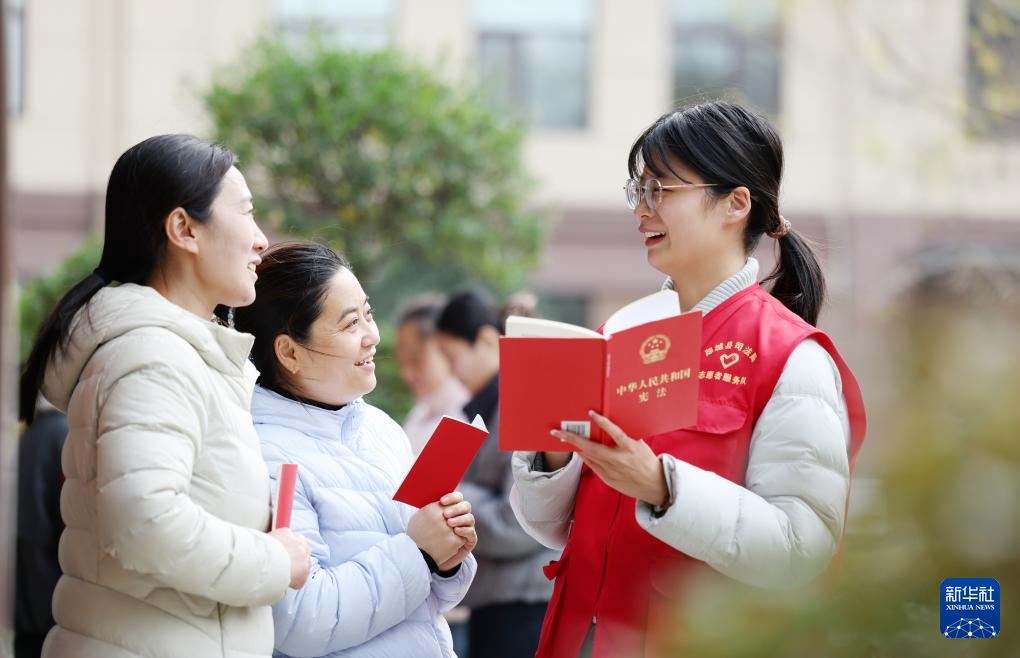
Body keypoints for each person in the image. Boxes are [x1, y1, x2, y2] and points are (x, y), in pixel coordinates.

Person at [509, 101, 867, 658]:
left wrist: (662, 487)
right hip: (580, 637)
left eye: (660, 190)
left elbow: (803, 546)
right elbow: (552, 528)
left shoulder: (790, 356)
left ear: (735, 204)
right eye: (638, 191)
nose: (641, 210)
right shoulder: (617, 332)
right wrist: (553, 456)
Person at [17, 134, 310, 658]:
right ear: (183, 229)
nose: (261, 240)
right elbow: (144, 523)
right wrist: (272, 560)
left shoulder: (174, 352)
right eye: (246, 213)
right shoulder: (154, 357)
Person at [232, 241, 478, 658]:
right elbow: (301, 621)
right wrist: (418, 551)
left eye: (368, 314)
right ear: (289, 351)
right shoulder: (264, 454)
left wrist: (446, 555)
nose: (373, 336)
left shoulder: (381, 429)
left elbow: (430, 602)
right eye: (350, 324)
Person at [434, 291, 556, 658]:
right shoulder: (494, 406)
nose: (452, 373)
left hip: (524, 606)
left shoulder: (522, 401)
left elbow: (518, 522)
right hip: (503, 601)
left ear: (487, 340)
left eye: (453, 357)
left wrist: (450, 496)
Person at [395, 295, 471, 455]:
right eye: (402, 362)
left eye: (416, 359)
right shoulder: (419, 413)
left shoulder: (468, 418)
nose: (407, 374)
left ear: (445, 347)